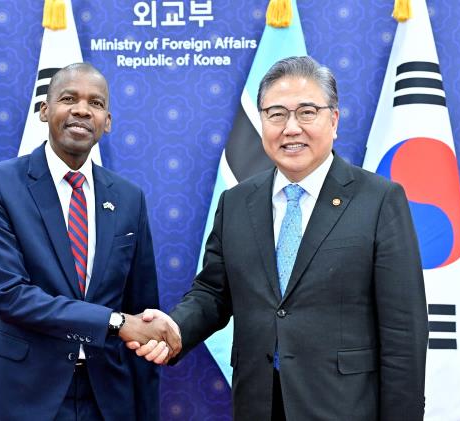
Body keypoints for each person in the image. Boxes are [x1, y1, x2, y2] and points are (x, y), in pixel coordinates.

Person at [130, 56, 428, 420]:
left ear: (333, 120)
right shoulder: (237, 202)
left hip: (345, 406)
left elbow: (404, 331)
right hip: (259, 403)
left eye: (307, 112)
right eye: (276, 114)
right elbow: (212, 293)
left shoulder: (379, 200)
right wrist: (175, 327)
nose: (291, 128)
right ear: (261, 123)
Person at [0, 63, 179, 420]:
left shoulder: (129, 198)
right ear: (45, 110)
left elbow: (140, 309)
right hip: (22, 393)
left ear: (107, 121)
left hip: (107, 396)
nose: (82, 109)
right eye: (69, 98)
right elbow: (11, 295)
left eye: (95, 103)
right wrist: (113, 322)